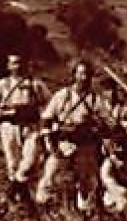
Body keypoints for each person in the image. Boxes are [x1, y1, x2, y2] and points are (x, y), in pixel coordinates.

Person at [34, 60, 111, 213]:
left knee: (86, 183)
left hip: (86, 146)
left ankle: (85, 216)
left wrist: (99, 128)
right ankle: (42, 209)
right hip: (64, 143)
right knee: (50, 176)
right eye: (81, 73)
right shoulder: (63, 95)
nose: (84, 78)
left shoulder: (96, 99)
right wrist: (49, 143)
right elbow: (46, 119)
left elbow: (108, 122)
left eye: (87, 74)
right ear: (74, 75)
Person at [0, 54, 51, 205]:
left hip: (30, 128)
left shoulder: (36, 85)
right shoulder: (2, 85)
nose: (17, 66)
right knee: (13, 164)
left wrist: (43, 120)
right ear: (8, 66)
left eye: (20, 63)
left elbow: (50, 105)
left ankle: (12, 191)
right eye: (13, 63)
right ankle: (22, 201)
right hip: (9, 128)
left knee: (30, 162)